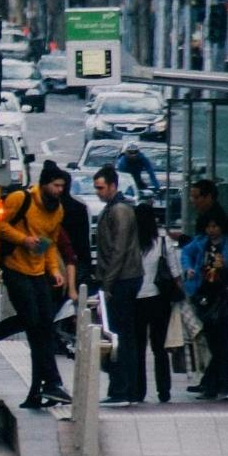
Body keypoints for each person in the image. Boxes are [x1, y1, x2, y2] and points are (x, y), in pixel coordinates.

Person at [0, 160, 71, 409]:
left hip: (38, 271)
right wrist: (24, 240)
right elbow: (1, 226)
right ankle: (51, 382)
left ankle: (40, 390)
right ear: (44, 184)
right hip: (15, 268)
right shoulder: (21, 199)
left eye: (62, 186)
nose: (59, 190)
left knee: (42, 329)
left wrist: (54, 270)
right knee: (34, 323)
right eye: (56, 185)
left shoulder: (57, 210)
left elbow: (49, 243)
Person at [94, 165, 143, 407]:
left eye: (101, 188)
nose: (98, 193)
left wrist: (107, 284)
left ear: (113, 186)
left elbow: (119, 249)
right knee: (120, 334)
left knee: (120, 335)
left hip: (123, 279)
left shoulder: (120, 210)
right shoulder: (113, 208)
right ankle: (123, 387)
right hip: (121, 278)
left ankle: (123, 388)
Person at [132, 202, 180, 404]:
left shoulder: (131, 242)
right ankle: (164, 390)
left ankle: (139, 390)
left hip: (136, 299)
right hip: (159, 299)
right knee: (159, 348)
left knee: (138, 348)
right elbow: (175, 272)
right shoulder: (162, 241)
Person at [182, 214, 228, 398]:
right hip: (205, 294)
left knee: (220, 345)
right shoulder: (201, 243)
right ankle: (213, 383)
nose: (211, 230)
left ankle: (213, 383)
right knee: (214, 342)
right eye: (209, 226)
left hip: (223, 296)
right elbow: (186, 253)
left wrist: (224, 265)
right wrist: (189, 269)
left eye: (215, 226)